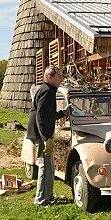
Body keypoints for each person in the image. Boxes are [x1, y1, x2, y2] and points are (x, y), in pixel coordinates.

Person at [26, 65, 65, 206]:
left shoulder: (47, 90)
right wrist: (45, 138)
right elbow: (40, 117)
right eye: (59, 76)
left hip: (42, 133)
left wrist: (63, 113)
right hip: (41, 134)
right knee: (45, 167)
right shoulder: (47, 91)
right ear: (50, 77)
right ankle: (41, 200)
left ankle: (48, 196)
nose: (61, 79)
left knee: (49, 167)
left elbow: (48, 115)